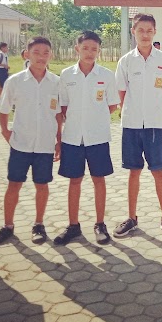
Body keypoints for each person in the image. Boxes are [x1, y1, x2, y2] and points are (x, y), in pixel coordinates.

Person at [0, 36, 62, 246]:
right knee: (14, 184)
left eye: (45, 53)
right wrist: (5, 132)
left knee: (42, 185)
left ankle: (39, 224)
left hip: (45, 145)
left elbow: (58, 114)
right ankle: (8, 226)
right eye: (36, 52)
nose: (41, 57)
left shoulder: (56, 83)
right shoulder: (15, 81)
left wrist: (59, 141)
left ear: (51, 55)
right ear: (26, 54)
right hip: (20, 143)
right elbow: (3, 110)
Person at [113, 14, 162, 238]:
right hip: (131, 125)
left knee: (158, 171)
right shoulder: (126, 61)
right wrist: (133, 112)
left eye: (149, 30)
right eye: (140, 30)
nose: (144, 34)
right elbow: (122, 94)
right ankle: (132, 218)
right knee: (134, 172)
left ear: (154, 32)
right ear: (133, 31)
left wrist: (158, 113)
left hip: (155, 125)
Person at [54, 31, 119, 246]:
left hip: (98, 137)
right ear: (77, 49)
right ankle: (73, 225)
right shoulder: (66, 75)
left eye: (94, 49)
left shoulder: (107, 76)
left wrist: (94, 120)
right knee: (75, 181)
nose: (90, 53)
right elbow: (63, 106)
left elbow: (111, 105)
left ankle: (100, 224)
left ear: (99, 50)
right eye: (85, 48)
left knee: (99, 180)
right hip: (72, 137)